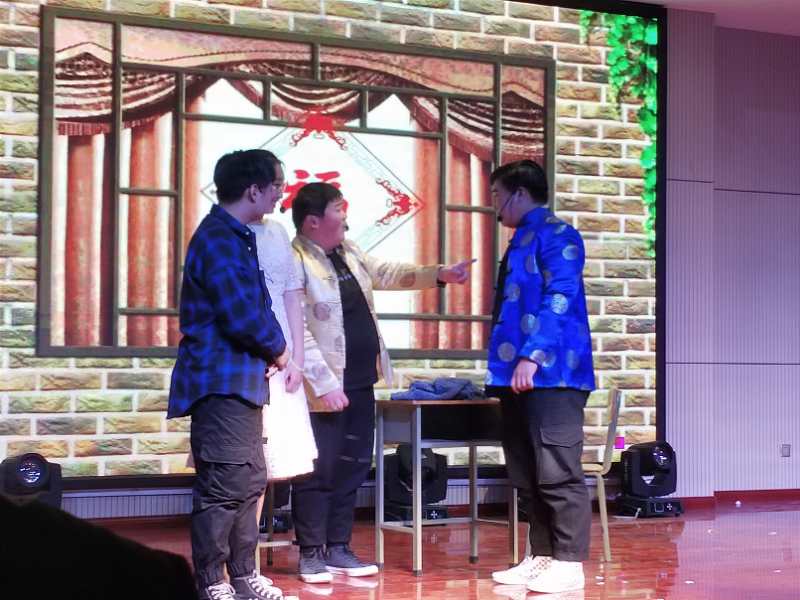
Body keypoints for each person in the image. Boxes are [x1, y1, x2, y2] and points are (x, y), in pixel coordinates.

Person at [289, 182, 474, 583]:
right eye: (338, 210)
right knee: (318, 470)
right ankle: (311, 552)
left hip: (360, 381)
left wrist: (438, 275)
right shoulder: (295, 260)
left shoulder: (349, 251)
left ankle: (338, 547)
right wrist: (323, 384)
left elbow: (386, 273)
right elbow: (297, 331)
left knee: (353, 466)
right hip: (322, 389)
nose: (346, 218)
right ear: (313, 221)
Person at [168, 149, 289, 600]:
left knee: (249, 480)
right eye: (276, 186)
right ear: (253, 190)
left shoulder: (238, 236)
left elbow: (258, 307)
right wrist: (280, 350)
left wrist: (274, 350)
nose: (279, 194)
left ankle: (242, 574)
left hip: (242, 379)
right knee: (223, 485)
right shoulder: (218, 238)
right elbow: (241, 315)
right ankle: (212, 581)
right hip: (220, 380)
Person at [486, 160, 595, 594]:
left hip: (554, 374)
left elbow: (561, 296)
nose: (494, 204)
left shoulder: (558, 235)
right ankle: (542, 556)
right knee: (526, 471)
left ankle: (569, 562)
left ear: (518, 193)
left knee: (557, 469)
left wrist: (532, 355)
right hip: (514, 375)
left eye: (497, 195)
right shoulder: (519, 240)